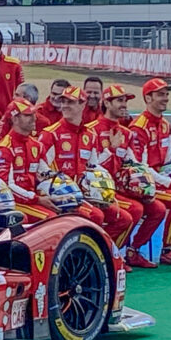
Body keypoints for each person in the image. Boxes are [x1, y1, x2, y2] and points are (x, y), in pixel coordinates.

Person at [39, 86, 132, 243]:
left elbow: (94, 166)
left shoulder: (90, 135)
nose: (65, 105)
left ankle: (105, 254)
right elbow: (41, 171)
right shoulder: (50, 134)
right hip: (61, 196)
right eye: (63, 101)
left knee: (124, 218)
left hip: (85, 195)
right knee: (95, 215)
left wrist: (100, 192)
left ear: (83, 105)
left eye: (71, 102)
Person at [88, 84, 163, 269]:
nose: (124, 105)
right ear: (106, 102)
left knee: (158, 208)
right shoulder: (91, 131)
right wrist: (111, 149)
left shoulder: (126, 133)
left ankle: (133, 251)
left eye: (125, 101)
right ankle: (110, 255)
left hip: (122, 188)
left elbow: (134, 164)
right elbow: (91, 167)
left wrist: (146, 187)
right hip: (99, 190)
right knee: (135, 210)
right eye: (120, 101)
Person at [129, 78, 171, 265]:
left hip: (161, 179)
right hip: (142, 184)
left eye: (166, 94)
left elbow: (170, 160)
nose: (165, 98)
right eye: (161, 94)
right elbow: (140, 169)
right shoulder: (138, 128)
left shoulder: (166, 125)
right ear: (148, 98)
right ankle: (162, 249)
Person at [0, 98, 58, 223]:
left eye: (34, 114)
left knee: (68, 211)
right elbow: (6, 187)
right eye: (28, 115)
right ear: (15, 119)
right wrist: (36, 199)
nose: (34, 118)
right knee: (51, 219)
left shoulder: (37, 145)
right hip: (13, 202)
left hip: (33, 199)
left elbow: (46, 176)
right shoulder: (5, 148)